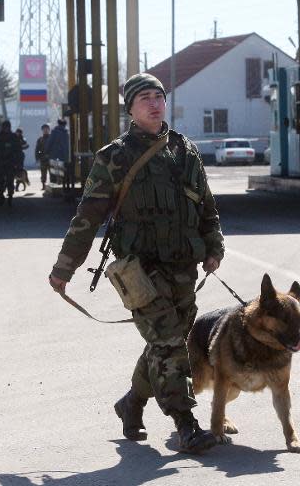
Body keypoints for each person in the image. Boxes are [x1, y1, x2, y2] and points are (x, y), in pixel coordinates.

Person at [48, 73, 225, 455]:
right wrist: (65, 267)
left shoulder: (185, 150)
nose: (154, 103)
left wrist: (214, 246)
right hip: (140, 271)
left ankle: (132, 402)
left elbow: (206, 205)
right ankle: (186, 424)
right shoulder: (114, 157)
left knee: (166, 344)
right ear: (130, 108)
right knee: (168, 343)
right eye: (144, 97)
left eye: (158, 96)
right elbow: (88, 217)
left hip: (183, 267)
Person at [0, 120, 23, 206]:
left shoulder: (13, 137)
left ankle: (10, 197)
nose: (6, 129)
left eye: (7, 127)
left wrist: (19, 164)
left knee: (10, 180)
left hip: (10, 162)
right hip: (0, 161)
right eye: (4, 127)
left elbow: (19, 151)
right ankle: (1, 196)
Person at [46, 119, 70, 188]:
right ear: (65, 124)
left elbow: (49, 143)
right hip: (64, 155)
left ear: (58, 124)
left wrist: (47, 151)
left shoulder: (54, 132)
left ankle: (56, 183)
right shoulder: (67, 133)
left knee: (55, 170)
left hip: (54, 155)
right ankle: (62, 183)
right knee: (62, 170)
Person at [34, 123, 51, 190]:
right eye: (44, 129)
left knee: (52, 174)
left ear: (49, 129)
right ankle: (43, 185)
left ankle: (52, 185)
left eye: (47, 129)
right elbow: (37, 149)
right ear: (42, 130)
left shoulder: (52, 138)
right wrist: (38, 157)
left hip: (51, 159)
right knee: (43, 173)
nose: (45, 130)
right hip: (43, 159)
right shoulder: (40, 139)